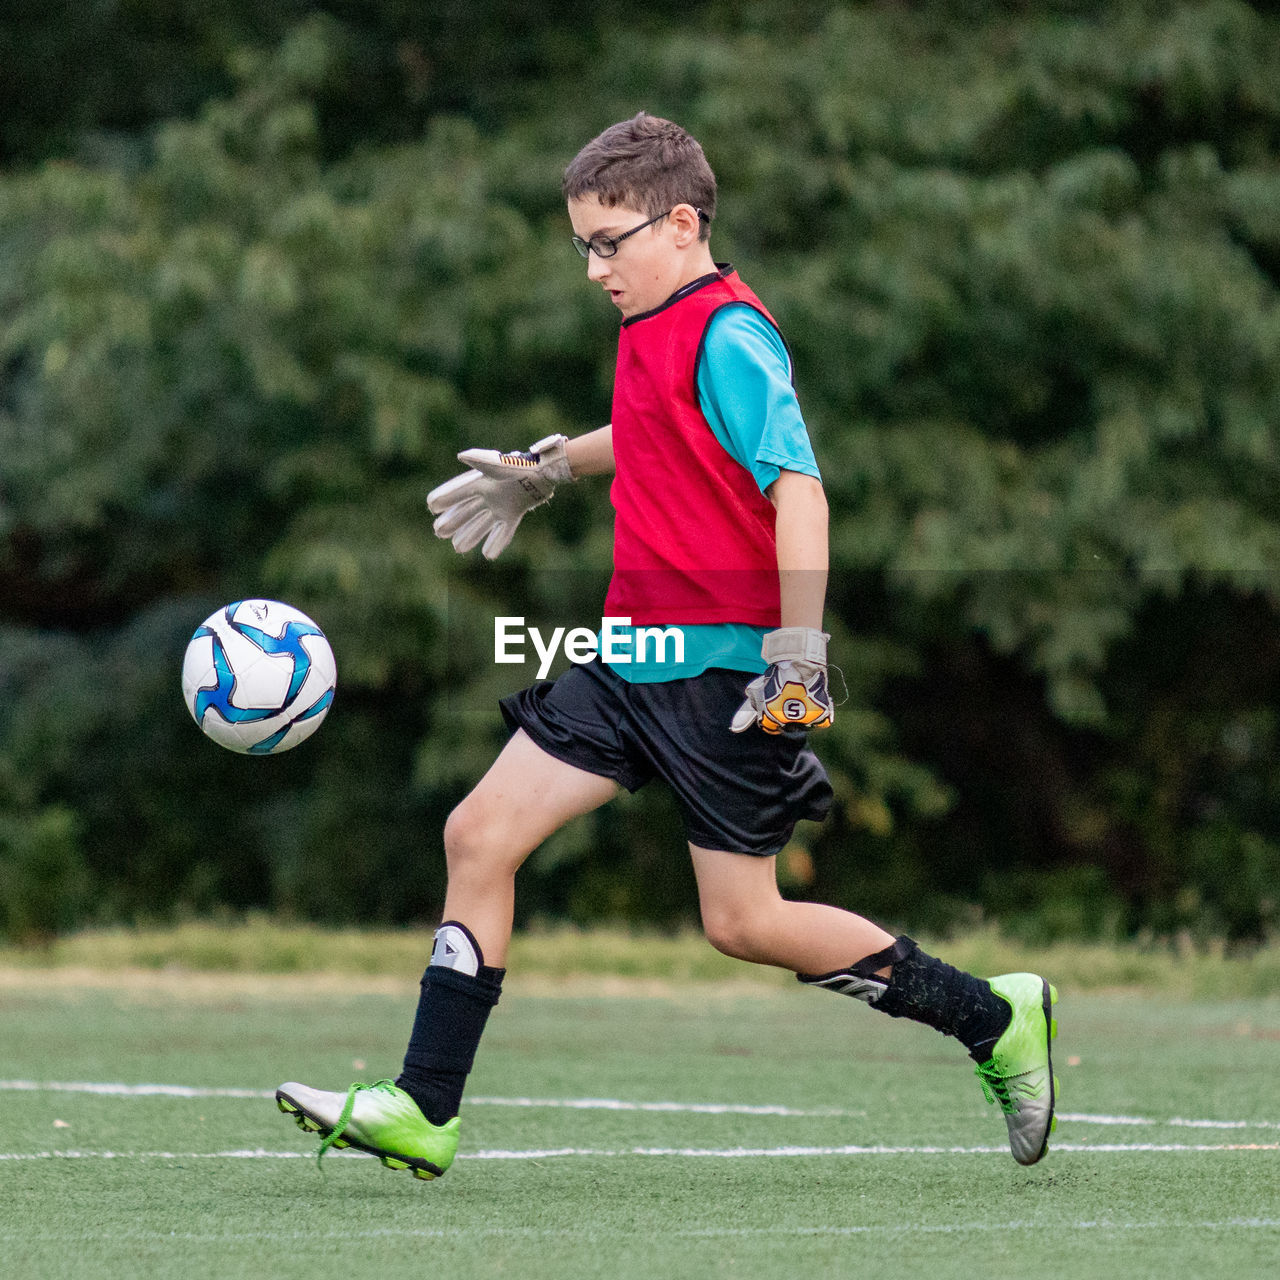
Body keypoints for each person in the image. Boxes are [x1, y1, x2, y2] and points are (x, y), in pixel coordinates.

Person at [275, 113, 1057, 1179]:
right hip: (628, 655)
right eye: (581, 247)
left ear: (680, 222)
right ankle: (421, 1107)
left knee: (741, 920)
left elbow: (799, 491)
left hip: (723, 672)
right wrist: (544, 467)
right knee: (478, 833)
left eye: (609, 242)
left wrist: (794, 652)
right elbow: (649, 434)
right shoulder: (650, 322)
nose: (594, 268)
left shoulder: (730, 334)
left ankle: (992, 1018)